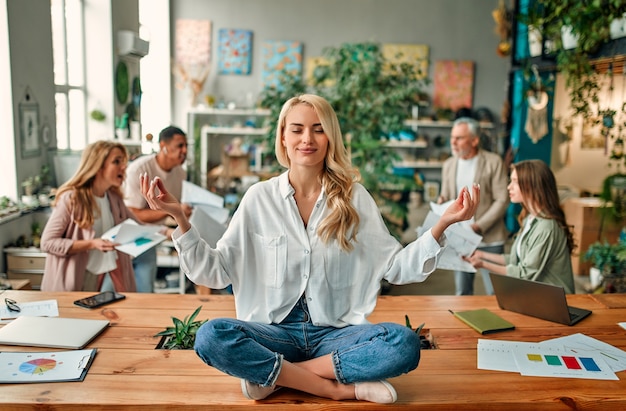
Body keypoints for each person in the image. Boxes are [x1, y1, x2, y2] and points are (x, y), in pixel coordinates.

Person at [139, 94, 480, 404]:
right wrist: (179, 218)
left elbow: (395, 267)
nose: (307, 139)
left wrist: (442, 225)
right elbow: (214, 272)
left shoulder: (354, 198)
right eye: (298, 129)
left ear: (330, 137)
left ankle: (280, 376)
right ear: (283, 137)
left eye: (318, 129)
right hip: (273, 332)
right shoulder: (259, 199)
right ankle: (337, 388)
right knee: (211, 337)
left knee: (403, 344)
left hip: (334, 334)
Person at [464, 159, 576, 294]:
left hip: (555, 302)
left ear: (532, 186)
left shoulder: (546, 227)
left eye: (515, 182)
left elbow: (524, 274)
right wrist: (481, 254)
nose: (508, 187)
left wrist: (483, 264)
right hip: (538, 297)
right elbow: (514, 260)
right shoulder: (530, 218)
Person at [40, 140, 137, 292]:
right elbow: (47, 243)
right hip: (74, 279)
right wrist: (92, 244)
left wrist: (169, 230)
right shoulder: (72, 198)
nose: (124, 167)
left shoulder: (113, 198)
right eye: (116, 161)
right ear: (98, 166)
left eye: (124, 161)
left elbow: (137, 224)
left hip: (101, 275)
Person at [438, 117, 509, 295]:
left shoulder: (494, 162)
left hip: (490, 237)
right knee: (462, 292)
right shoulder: (448, 165)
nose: (453, 142)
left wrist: (479, 226)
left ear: (475, 140)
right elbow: (446, 195)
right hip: (460, 238)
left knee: (496, 293)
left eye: (459, 138)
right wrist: (441, 201)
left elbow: (502, 199)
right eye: (452, 137)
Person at [123, 125, 192, 292]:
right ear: (163, 146)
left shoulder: (181, 173)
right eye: (179, 146)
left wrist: (183, 211)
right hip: (131, 237)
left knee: (146, 288)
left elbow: (177, 209)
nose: (184, 151)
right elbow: (133, 213)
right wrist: (171, 210)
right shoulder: (139, 169)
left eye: (186, 146)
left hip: (157, 235)